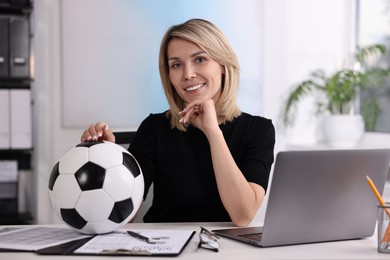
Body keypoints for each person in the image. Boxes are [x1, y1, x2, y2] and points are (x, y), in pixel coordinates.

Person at [81, 18, 275, 227]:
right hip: (161, 247)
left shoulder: (258, 130)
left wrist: (212, 131)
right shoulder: (153, 128)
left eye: (199, 59)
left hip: (226, 251)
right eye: (176, 65)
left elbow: (243, 215)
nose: (188, 74)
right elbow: (124, 218)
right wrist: (110, 160)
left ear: (223, 65)